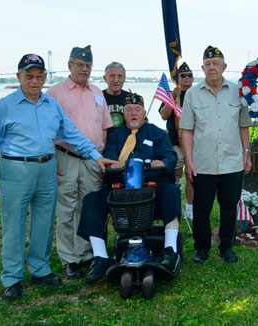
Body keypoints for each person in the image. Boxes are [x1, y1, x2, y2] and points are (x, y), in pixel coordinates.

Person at [0, 54, 115, 301]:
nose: (35, 80)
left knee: (44, 223)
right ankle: (12, 278)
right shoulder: (5, 106)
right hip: (16, 170)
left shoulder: (52, 105)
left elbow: (72, 134)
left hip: (47, 168)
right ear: (19, 77)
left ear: (45, 78)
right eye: (29, 76)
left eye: (39, 76)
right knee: (14, 226)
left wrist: (95, 155)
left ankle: (40, 269)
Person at [78, 93, 182, 283]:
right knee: (93, 200)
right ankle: (100, 257)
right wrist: (112, 164)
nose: (134, 113)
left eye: (138, 110)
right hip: (121, 187)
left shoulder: (157, 133)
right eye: (129, 110)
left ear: (144, 113)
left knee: (171, 191)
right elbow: (109, 155)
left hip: (151, 186)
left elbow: (170, 156)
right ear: (124, 114)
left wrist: (163, 162)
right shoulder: (115, 136)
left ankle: (170, 251)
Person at [180, 46, 252, 264]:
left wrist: (246, 153)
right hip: (203, 163)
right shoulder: (192, 94)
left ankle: (227, 248)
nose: (212, 68)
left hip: (232, 161)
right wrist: (189, 161)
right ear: (202, 68)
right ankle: (201, 248)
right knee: (202, 209)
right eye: (208, 64)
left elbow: (243, 125)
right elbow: (187, 130)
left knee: (230, 207)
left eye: (216, 63)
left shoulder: (238, 91)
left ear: (224, 67)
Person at [47, 45, 113, 279]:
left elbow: (105, 125)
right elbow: (48, 130)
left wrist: (100, 150)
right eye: (79, 65)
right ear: (69, 66)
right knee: (66, 209)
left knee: (89, 209)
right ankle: (69, 258)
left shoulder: (97, 92)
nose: (84, 69)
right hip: (66, 158)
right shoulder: (55, 93)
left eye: (88, 65)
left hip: (93, 160)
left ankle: (86, 252)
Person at [160, 62, 195, 220]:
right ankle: (174, 202)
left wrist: (189, 131)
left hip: (194, 141)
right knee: (176, 172)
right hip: (175, 141)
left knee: (191, 175)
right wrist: (173, 98)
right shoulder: (172, 94)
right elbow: (163, 115)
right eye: (183, 75)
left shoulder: (197, 94)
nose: (187, 78)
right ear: (177, 78)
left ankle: (190, 208)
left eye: (189, 75)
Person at [102, 62, 130, 135]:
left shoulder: (131, 98)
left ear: (124, 78)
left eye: (120, 76)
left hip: (126, 142)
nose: (116, 80)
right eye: (112, 76)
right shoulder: (98, 97)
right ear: (105, 78)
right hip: (104, 140)